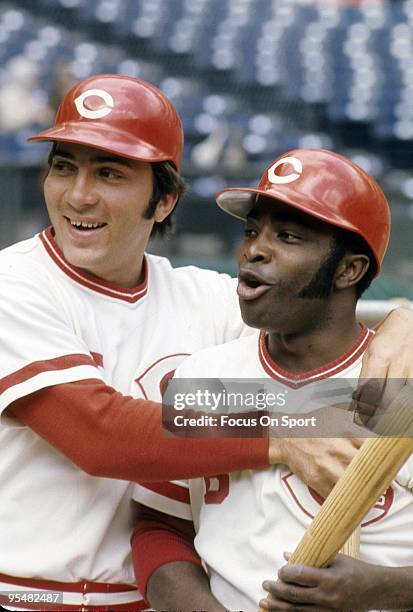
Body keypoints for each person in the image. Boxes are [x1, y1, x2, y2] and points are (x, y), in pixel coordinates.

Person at [0, 73, 411, 612]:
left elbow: (321, 333)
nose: (79, 194)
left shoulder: (207, 300)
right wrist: (285, 427)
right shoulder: (14, 282)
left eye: (109, 173)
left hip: (151, 600)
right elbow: (98, 434)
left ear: (165, 200)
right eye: (63, 167)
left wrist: (403, 322)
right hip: (29, 597)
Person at [132, 149, 413, 611]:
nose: (254, 250)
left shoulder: (397, 383)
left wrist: (381, 589)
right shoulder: (204, 375)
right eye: (251, 231)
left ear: (350, 270)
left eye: (288, 236)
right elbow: (158, 525)